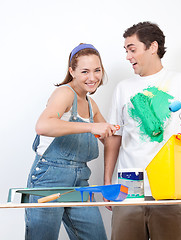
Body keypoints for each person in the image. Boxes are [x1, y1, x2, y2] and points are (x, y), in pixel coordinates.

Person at [104, 22, 181, 240]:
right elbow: (115, 137)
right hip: (128, 191)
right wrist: (107, 181)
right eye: (126, 51)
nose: (127, 56)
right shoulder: (123, 88)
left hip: (171, 190)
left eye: (132, 49)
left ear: (152, 47)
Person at [25, 43, 116, 240]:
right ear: (71, 71)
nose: (92, 78)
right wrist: (91, 127)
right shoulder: (64, 93)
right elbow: (43, 125)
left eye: (97, 70)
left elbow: (111, 140)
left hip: (80, 181)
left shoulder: (92, 105)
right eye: (84, 71)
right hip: (49, 179)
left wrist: (108, 182)